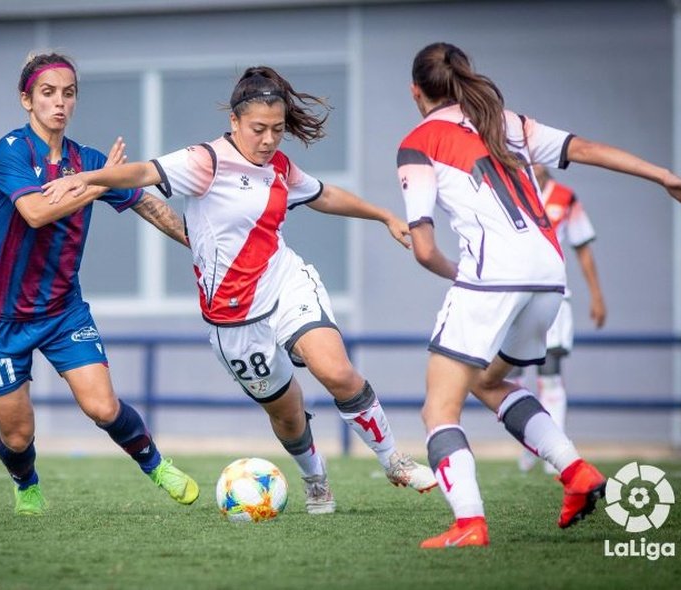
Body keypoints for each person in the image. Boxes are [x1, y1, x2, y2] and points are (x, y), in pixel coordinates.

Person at [46, 65, 438, 515]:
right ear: (234, 122)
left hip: (284, 284)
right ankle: (315, 479)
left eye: (277, 130)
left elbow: (323, 195)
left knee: (335, 370)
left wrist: (383, 215)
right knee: (286, 414)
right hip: (232, 322)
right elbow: (142, 173)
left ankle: (394, 459)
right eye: (259, 129)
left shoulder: (280, 168)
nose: (269, 140)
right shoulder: (204, 161)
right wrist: (88, 179)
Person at [396, 42, 681, 548]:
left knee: (438, 410)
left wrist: (463, 274)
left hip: (492, 276)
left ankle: (469, 524)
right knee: (487, 382)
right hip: (548, 275)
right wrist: (662, 176)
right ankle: (575, 472)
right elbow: (586, 149)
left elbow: (423, 248)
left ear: (416, 91)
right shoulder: (505, 120)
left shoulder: (418, 141)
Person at [0, 52, 199, 516]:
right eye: (48, 93)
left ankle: (157, 466)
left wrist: (206, 247)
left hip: (61, 311)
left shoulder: (87, 160)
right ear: (26, 100)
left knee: (102, 406)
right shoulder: (11, 150)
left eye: (68, 93)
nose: (59, 103)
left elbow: (149, 206)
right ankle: (26, 483)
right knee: (17, 435)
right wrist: (96, 185)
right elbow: (35, 213)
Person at [512, 165, 606, 474]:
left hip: (553, 296)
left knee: (549, 372)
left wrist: (596, 295)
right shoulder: (512, 190)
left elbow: (583, 249)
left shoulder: (565, 198)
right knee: (510, 375)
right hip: (515, 297)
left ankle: (555, 453)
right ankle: (530, 444)